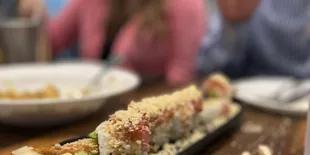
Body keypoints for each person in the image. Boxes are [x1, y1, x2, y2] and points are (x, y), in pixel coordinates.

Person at [19, 0, 205, 86]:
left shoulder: (184, 5)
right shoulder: (88, 3)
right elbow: (52, 42)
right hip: (91, 110)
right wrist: (37, 17)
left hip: (147, 110)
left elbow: (181, 76)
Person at [197, 0, 310, 78]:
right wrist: (232, 24)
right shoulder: (239, 5)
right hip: (246, 97)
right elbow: (207, 67)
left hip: (303, 95)